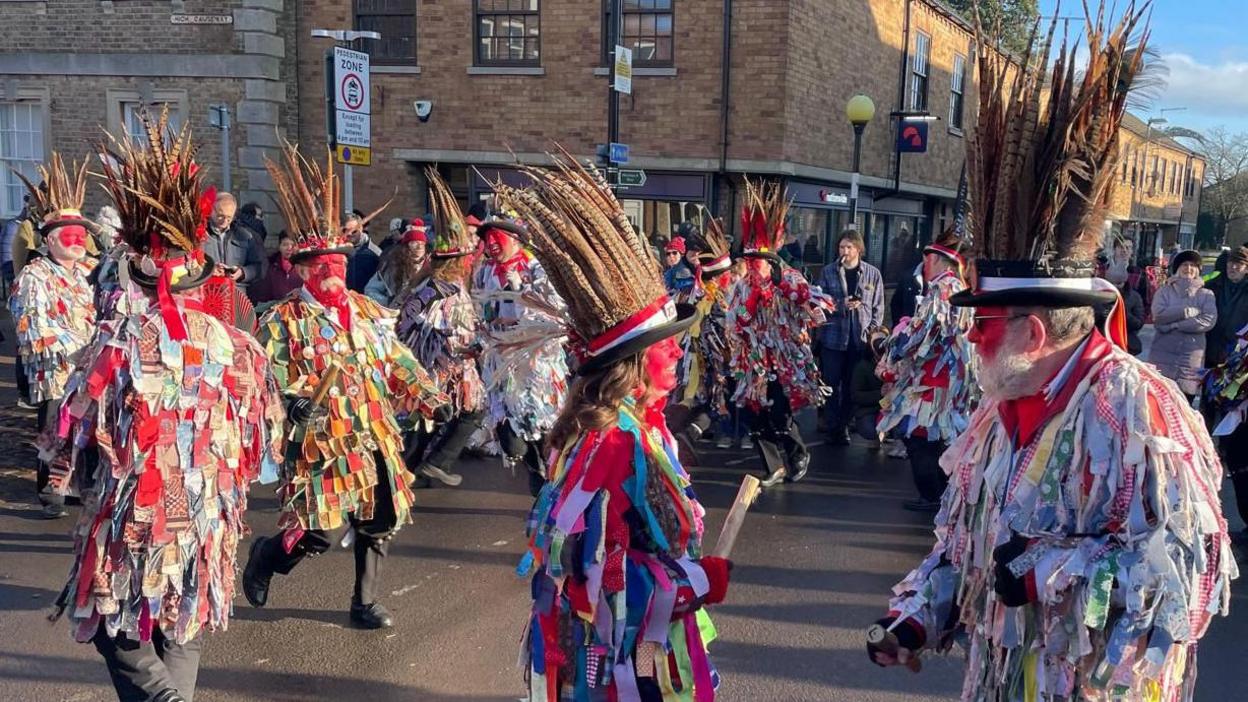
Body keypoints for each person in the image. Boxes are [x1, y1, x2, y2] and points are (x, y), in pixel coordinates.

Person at [868, 11, 1237, 700]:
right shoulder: (1000, 409)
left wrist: (1052, 571)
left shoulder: (1141, 407)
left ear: (1034, 335)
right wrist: (916, 619)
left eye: (985, 326)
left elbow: (1195, 569)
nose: (972, 338)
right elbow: (968, 547)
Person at [44, 113, 285, 702]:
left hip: (136, 513)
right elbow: (257, 441)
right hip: (204, 512)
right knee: (182, 617)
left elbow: (73, 434)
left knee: (115, 622)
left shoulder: (116, 341)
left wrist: (64, 475)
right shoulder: (239, 344)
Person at [495, 153, 732, 702]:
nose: (677, 350)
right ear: (629, 368)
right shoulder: (613, 445)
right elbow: (591, 580)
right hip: (604, 656)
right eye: (663, 345)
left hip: (620, 651)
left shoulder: (640, 428)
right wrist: (693, 585)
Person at [242, 143, 451, 630]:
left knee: (381, 518)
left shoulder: (368, 313)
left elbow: (397, 361)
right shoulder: (280, 321)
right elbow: (262, 377)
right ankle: (267, 558)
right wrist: (289, 403)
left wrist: (430, 398)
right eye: (320, 265)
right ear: (301, 269)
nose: (331, 271)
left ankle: (364, 603)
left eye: (337, 263)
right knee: (319, 530)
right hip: (320, 442)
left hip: (373, 432)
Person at [727, 179, 834, 487]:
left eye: (757, 262)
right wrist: (750, 306)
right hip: (753, 364)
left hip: (783, 362)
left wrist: (783, 289)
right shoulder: (743, 287)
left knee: (779, 415)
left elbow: (814, 310)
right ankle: (774, 466)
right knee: (753, 415)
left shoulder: (790, 278)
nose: (752, 267)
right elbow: (737, 322)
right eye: (748, 261)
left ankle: (797, 453)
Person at [8, 154, 98, 519]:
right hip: (55, 369)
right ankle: (50, 491)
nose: (78, 242)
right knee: (54, 425)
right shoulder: (34, 275)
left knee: (88, 428)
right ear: (50, 239)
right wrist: (72, 351)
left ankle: (78, 484)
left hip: (91, 368)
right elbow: (31, 322)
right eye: (70, 236)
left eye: (82, 236)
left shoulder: (92, 269)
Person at [875, 230, 978, 512]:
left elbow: (921, 336)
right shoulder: (957, 287)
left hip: (936, 379)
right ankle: (941, 494)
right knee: (933, 437)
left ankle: (933, 494)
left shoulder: (943, 289)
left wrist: (888, 343)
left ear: (940, 260)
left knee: (919, 437)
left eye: (928, 258)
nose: (925, 264)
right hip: (945, 377)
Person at [397, 171, 485, 488]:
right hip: (444, 367)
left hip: (449, 364)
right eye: (464, 257)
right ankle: (429, 465)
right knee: (468, 411)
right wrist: (450, 347)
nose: (468, 261)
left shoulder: (446, 285)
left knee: (430, 419)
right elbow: (414, 321)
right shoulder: (437, 288)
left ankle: (414, 471)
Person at [473, 217, 569, 496]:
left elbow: (556, 311)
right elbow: (480, 310)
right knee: (510, 433)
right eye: (487, 240)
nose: (491, 245)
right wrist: (482, 338)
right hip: (502, 363)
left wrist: (521, 295)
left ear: (515, 240)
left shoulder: (536, 269)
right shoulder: (485, 271)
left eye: (497, 239)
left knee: (542, 424)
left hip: (535, 362)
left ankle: (551, 478)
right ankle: (534, 470)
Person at [818, 228, 885, 445]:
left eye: (849, 247)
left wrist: (871, 332)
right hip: (833, 339)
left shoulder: (872, 274)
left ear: (858, 249)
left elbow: (878, 307)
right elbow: (820, 304)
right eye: (841, 247)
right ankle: (831, 425)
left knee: (850, 387)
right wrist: (840, 305)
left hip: (858, 340)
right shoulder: (828, 272)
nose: (844, 251)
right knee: (829, 384)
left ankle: (843, 426)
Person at [672, 218, 735, 445]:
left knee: (710, 398)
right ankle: (686, 433)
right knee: (703, 397)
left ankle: (689, 432)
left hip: (714, 358)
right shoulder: (701, 294)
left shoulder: (721, 296)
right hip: (701, 357)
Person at [1148, 249, 1216, 398]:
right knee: (1158, 405)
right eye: (1184, 264)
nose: (1188, 268)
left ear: (1198, 270)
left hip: (1191, 361)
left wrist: (1174, 325)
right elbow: (1158, 316)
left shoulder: (1206, 295)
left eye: (1193, 265)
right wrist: (1185, 312)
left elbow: (1208, 321)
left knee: (1185, 407)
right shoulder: (1164, 292)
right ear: (1177, 268)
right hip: (1162, 357)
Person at [202, 192, 266, 292]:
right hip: (206, 293)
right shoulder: (199, 235)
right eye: (221, 216)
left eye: (229, 218)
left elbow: (258, 267)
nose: (224, 221)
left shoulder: (245, 236)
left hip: (236, 296)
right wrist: (209, 271)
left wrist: (242, 272)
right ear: (212, 210)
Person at [365, 219, 428, 305]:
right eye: (414, 242)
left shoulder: (431, 267)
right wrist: (388, 302)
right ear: (406, 245)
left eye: (422, 243)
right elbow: (370, 290)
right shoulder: (392, 266)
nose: (419, 247)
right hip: (396, 314)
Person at [1204, 245, 1248, 368]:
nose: (1233, 267)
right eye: (1231, 262)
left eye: (1239, 263)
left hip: (1238, 357)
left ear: (1246, 269)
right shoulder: (1211, 286)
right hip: (1208, 351)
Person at [850, 327, 888, 443]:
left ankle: (893, 434)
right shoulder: (862, 367)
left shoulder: (895, 362)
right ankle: (879, 433)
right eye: (876, 342)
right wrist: (880, 394)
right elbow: (856, 396)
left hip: (893, 407)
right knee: (870, 430)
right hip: (870, 409)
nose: (880, 345)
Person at [1103, 261, 1146, 355]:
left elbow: (1139, 323)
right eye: (1112, 283)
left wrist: (1122, 312)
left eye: (1119, 284)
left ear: (1125, 282)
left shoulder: (1134, 297)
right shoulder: (1099, 294)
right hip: (1102, 342)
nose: (1115, 287)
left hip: (1124, 344)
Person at [250, 231, 303, 304]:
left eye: (293, 245)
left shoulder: (304, 267)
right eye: (285, 245)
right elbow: (263, 297)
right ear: (279, 247)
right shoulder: (270, 267)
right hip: (277, 309)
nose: (289, 248)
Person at [344, 212, 382, 292]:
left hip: (365, 300)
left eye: (354, 231)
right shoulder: (337, 251)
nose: (349, 234)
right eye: (345, 230)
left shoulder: (374, 253)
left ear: (361, 228)